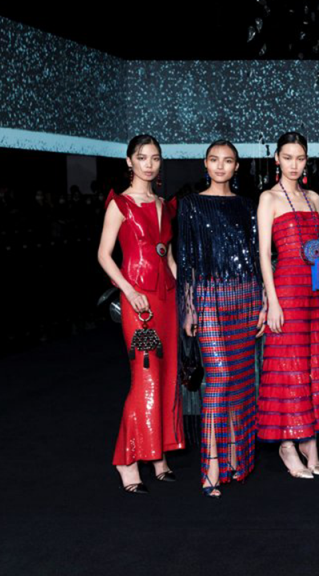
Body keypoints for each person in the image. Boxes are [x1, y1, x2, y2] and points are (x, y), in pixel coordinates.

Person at [177, 140, 265, 498]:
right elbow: (186, 259)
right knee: (221, 376)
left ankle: (235, 460)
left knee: (242, 381)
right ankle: (212, 462)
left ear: (236, 167)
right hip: (208, 296)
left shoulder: (247, 206)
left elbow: (258, 256)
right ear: (205, 163)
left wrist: (262, 301)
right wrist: (189, 307)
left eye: (227, 161)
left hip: (245, 295)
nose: (220, 166)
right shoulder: (191, 204)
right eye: (214, 160)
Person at [96, 134, 183, 494]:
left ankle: (158, 454)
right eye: (142, 157)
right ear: (129, 162)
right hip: (139, 304)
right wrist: (129, 291)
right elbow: (103, 255)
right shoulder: (121, 204)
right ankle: (126, 459)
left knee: (167, 376)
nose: (149, 163)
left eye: (155, 158)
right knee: (144, 376)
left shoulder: (165, 204)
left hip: (168, 300)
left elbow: (169, 257)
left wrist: (187, 300)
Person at [257, 132, 319, 480]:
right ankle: (287, 443)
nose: (293, 164)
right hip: (286, 287)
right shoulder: (268, 198)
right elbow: (263, 254)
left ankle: (309, 438)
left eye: (300, 157)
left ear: (306, 160)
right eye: (287, 157)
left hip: (313, 288)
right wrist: (272, 301)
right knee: (287, 364)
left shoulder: (315, 198)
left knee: (311, 362)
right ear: (277, 159)